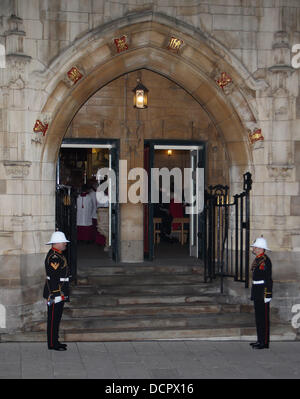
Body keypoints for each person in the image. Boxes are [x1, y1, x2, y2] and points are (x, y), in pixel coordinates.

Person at [43, 231, 70, 351]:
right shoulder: (54, 257)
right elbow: (53, 277)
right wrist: (56, 293)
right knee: (53, 319)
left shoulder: (58, 254)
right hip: (55, 293)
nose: (65, 244)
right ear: (57, 243)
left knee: (56, 318)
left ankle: (55, 340)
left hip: (59, 291)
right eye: (63, 242)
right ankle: (52, 344)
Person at [249, 236, 273, 350]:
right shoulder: (258, 259)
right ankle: (260, 340)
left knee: (264, 318)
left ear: (260, 248)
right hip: (257, 290)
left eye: (255, 247)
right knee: (258, 317)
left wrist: (268, 294)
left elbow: (268, 279)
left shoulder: (265, 260)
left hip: (263, 291)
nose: (253, 248)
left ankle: (265, 342)